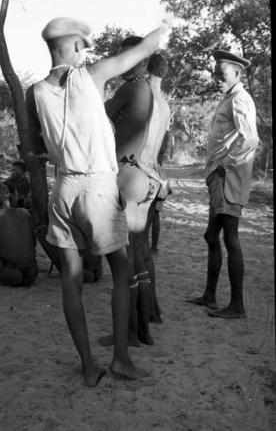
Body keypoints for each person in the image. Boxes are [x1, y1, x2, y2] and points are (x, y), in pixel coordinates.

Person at [26, 16, 170, 385]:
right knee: (122, 270)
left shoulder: (35, 92)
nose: (84, 53)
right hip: (98, 187)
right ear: (74, 46)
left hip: (63, 188)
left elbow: (34, 146)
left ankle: (89, 366)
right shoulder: (92, 75)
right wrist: (164, 27)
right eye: (83, 47)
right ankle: (121, 358)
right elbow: (145, 48)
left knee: (70, 280)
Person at [104, 40, 171, 346]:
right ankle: (146, 318)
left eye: (127, 56)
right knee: (141, 253)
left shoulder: (132, 88)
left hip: (129, 174)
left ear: (143, 61)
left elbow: (98, 115)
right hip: (149, 177)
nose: (122, 62)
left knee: (128, 256)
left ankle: (132, 330)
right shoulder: (159, 98)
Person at [187, 49, 258, 319]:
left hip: (227, 179)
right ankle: (210, 295)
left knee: (231, 238)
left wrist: (223, 167)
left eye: (222, 74)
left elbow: (249, 139)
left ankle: (237, 306)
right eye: (215, 73)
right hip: (218, 179)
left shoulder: (240, 99)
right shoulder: (228, 98)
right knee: (211, 236)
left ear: (237, 74)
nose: (216, 78)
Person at [0, 182, 39, 286]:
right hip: (33, 272)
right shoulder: (24, 212)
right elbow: (33, 241)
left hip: (12, 274)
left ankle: (1, 275)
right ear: (14, 195)